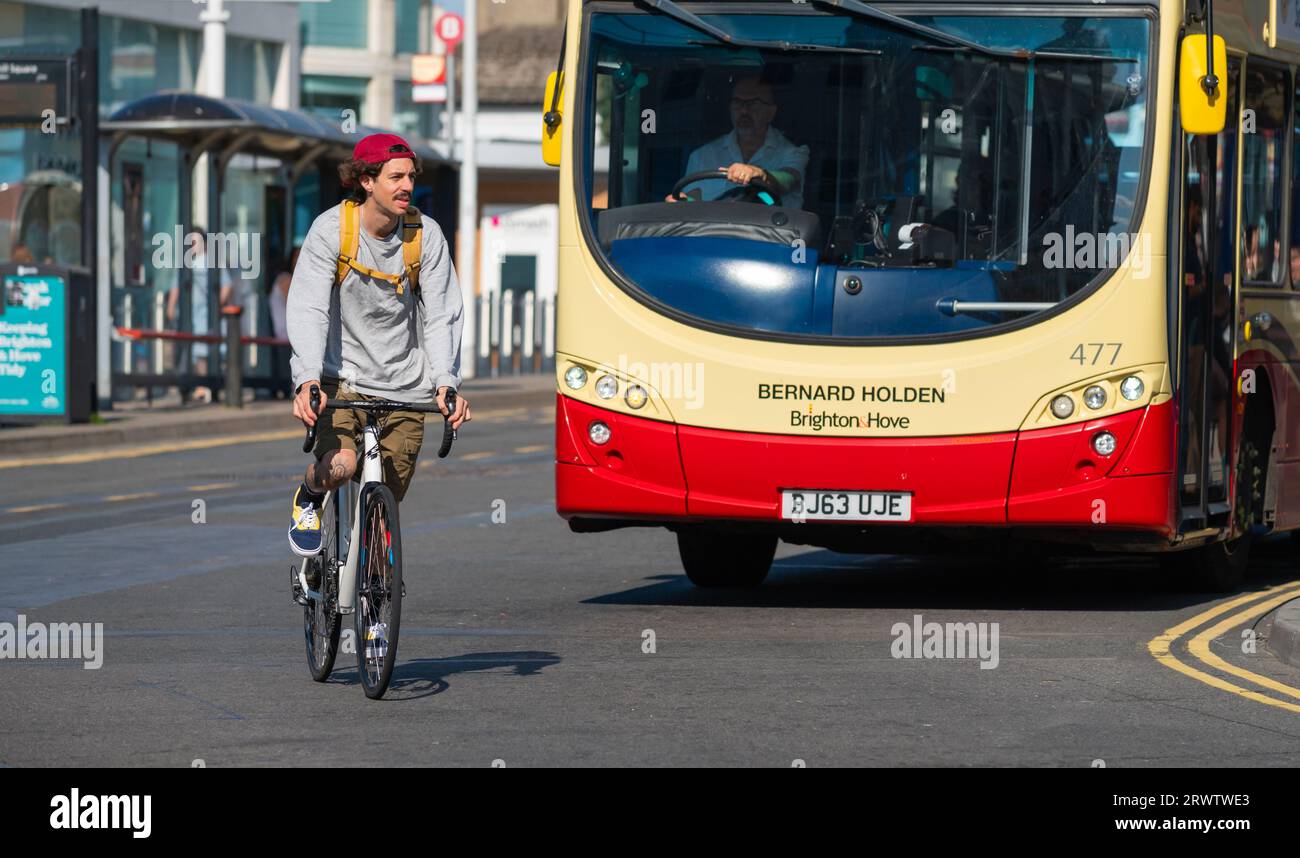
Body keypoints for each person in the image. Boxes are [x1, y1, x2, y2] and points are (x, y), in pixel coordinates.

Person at [287, 132, 471, 559]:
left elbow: (442, 314)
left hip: (405, 385)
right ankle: (310, 494)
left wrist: (446, 382)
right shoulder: (331, 231)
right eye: (395, 177)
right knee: (343, 466)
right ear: (366, 181)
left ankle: (375, 597)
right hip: (341, 379)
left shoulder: (426, 236)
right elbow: (309, 308)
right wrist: (307, 377)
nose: (407, 185)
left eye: (410, 176)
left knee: (384, 501)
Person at [665, 75, 810, 209]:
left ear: (771, 112)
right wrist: (682, 204)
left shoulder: (793, 153)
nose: (744, 110)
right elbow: (694, 206)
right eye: (737, 102)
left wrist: (760, 174)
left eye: (753, 103)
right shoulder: (702, 156)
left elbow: (788, 179)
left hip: (770, 236)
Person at [167, 229, 234, 403]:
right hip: (190, 315)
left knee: (202, 351)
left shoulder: (212, 263)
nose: (193, 246)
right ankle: (199, 386)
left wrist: (216, 307)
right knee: (194, 351)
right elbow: (176, 287)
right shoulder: (187, 263)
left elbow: (227, 286)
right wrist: (171, 307)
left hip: (205, 314)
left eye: (195, 242)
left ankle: (204, 387)